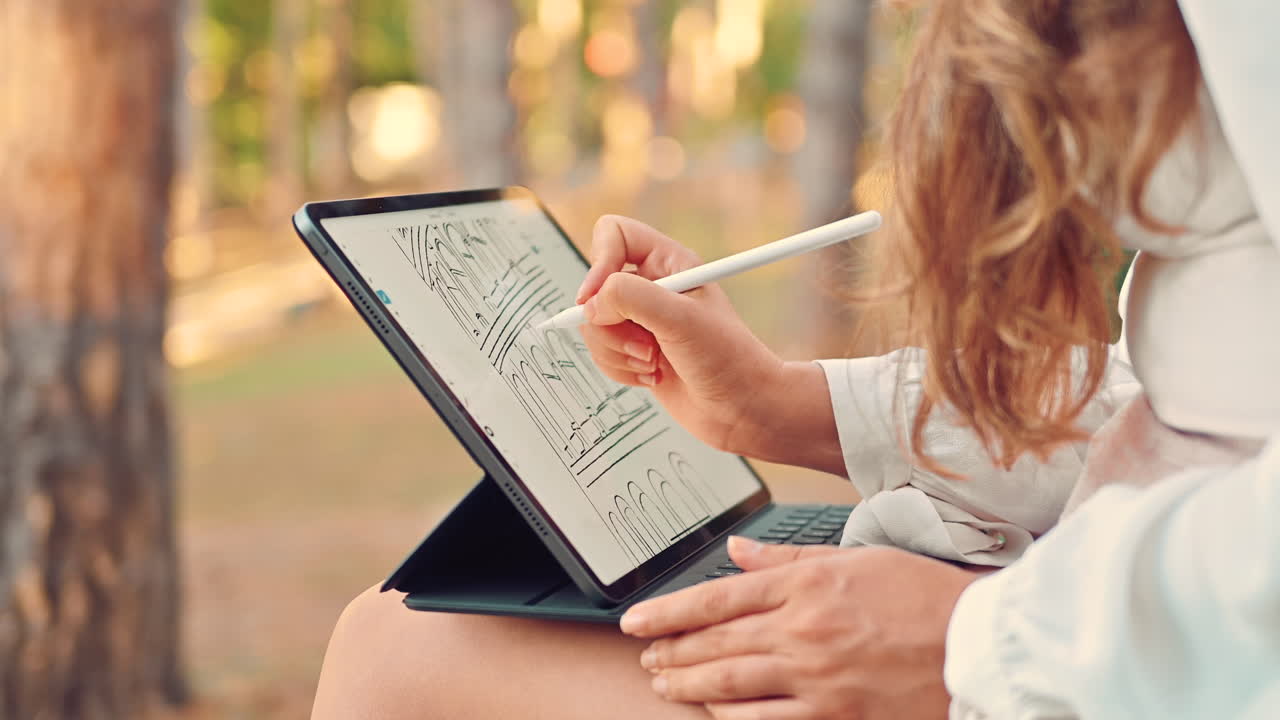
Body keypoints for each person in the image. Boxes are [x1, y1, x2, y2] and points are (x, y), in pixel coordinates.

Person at [311, 1, 1280, 718]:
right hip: (1094, 621)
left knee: (401, 652)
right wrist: (782, 407)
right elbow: (1174, 402)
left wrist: (977, 641)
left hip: (1114, 662)